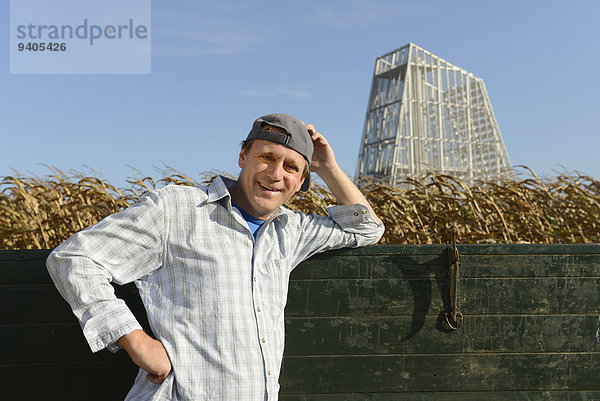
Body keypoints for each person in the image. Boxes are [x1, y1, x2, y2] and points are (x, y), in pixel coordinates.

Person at [47, 113, 384, 400]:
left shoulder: (290, 230)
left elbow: (367, 229)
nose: (275, 174)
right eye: (266, 157)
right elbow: (74, 259)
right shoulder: (177, 208)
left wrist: (328, 168)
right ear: (243, 157)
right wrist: (136, 341)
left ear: (300, 182)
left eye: (291, 167)